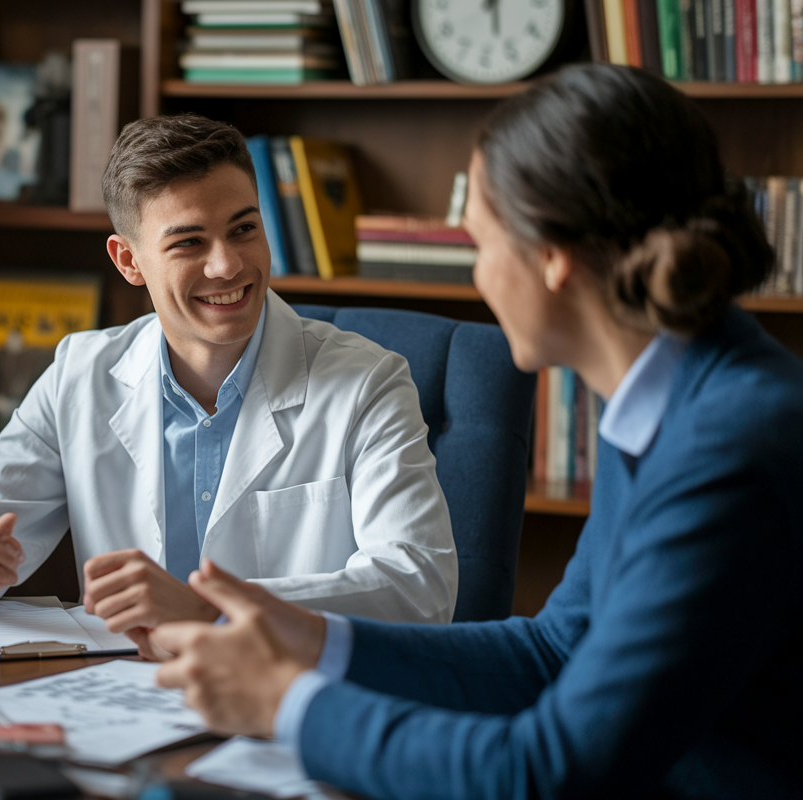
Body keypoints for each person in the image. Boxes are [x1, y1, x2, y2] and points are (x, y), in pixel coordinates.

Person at [152, 65, 802, 798]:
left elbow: (547, 773)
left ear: (552, 258)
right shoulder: (669, 402)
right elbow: (554, 650)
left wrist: (288, 704)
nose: (478, 278)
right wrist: (316, 639)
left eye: (481, 244)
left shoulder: (731, 449)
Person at [0, 114, 457, 656]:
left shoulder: (370, 382)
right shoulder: (80, 372)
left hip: (285, 700)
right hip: (128, 699)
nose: (226, 266)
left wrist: (204, 608)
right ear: (129, 260)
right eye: (189, 243)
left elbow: (418, 587)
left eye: (244, 229)